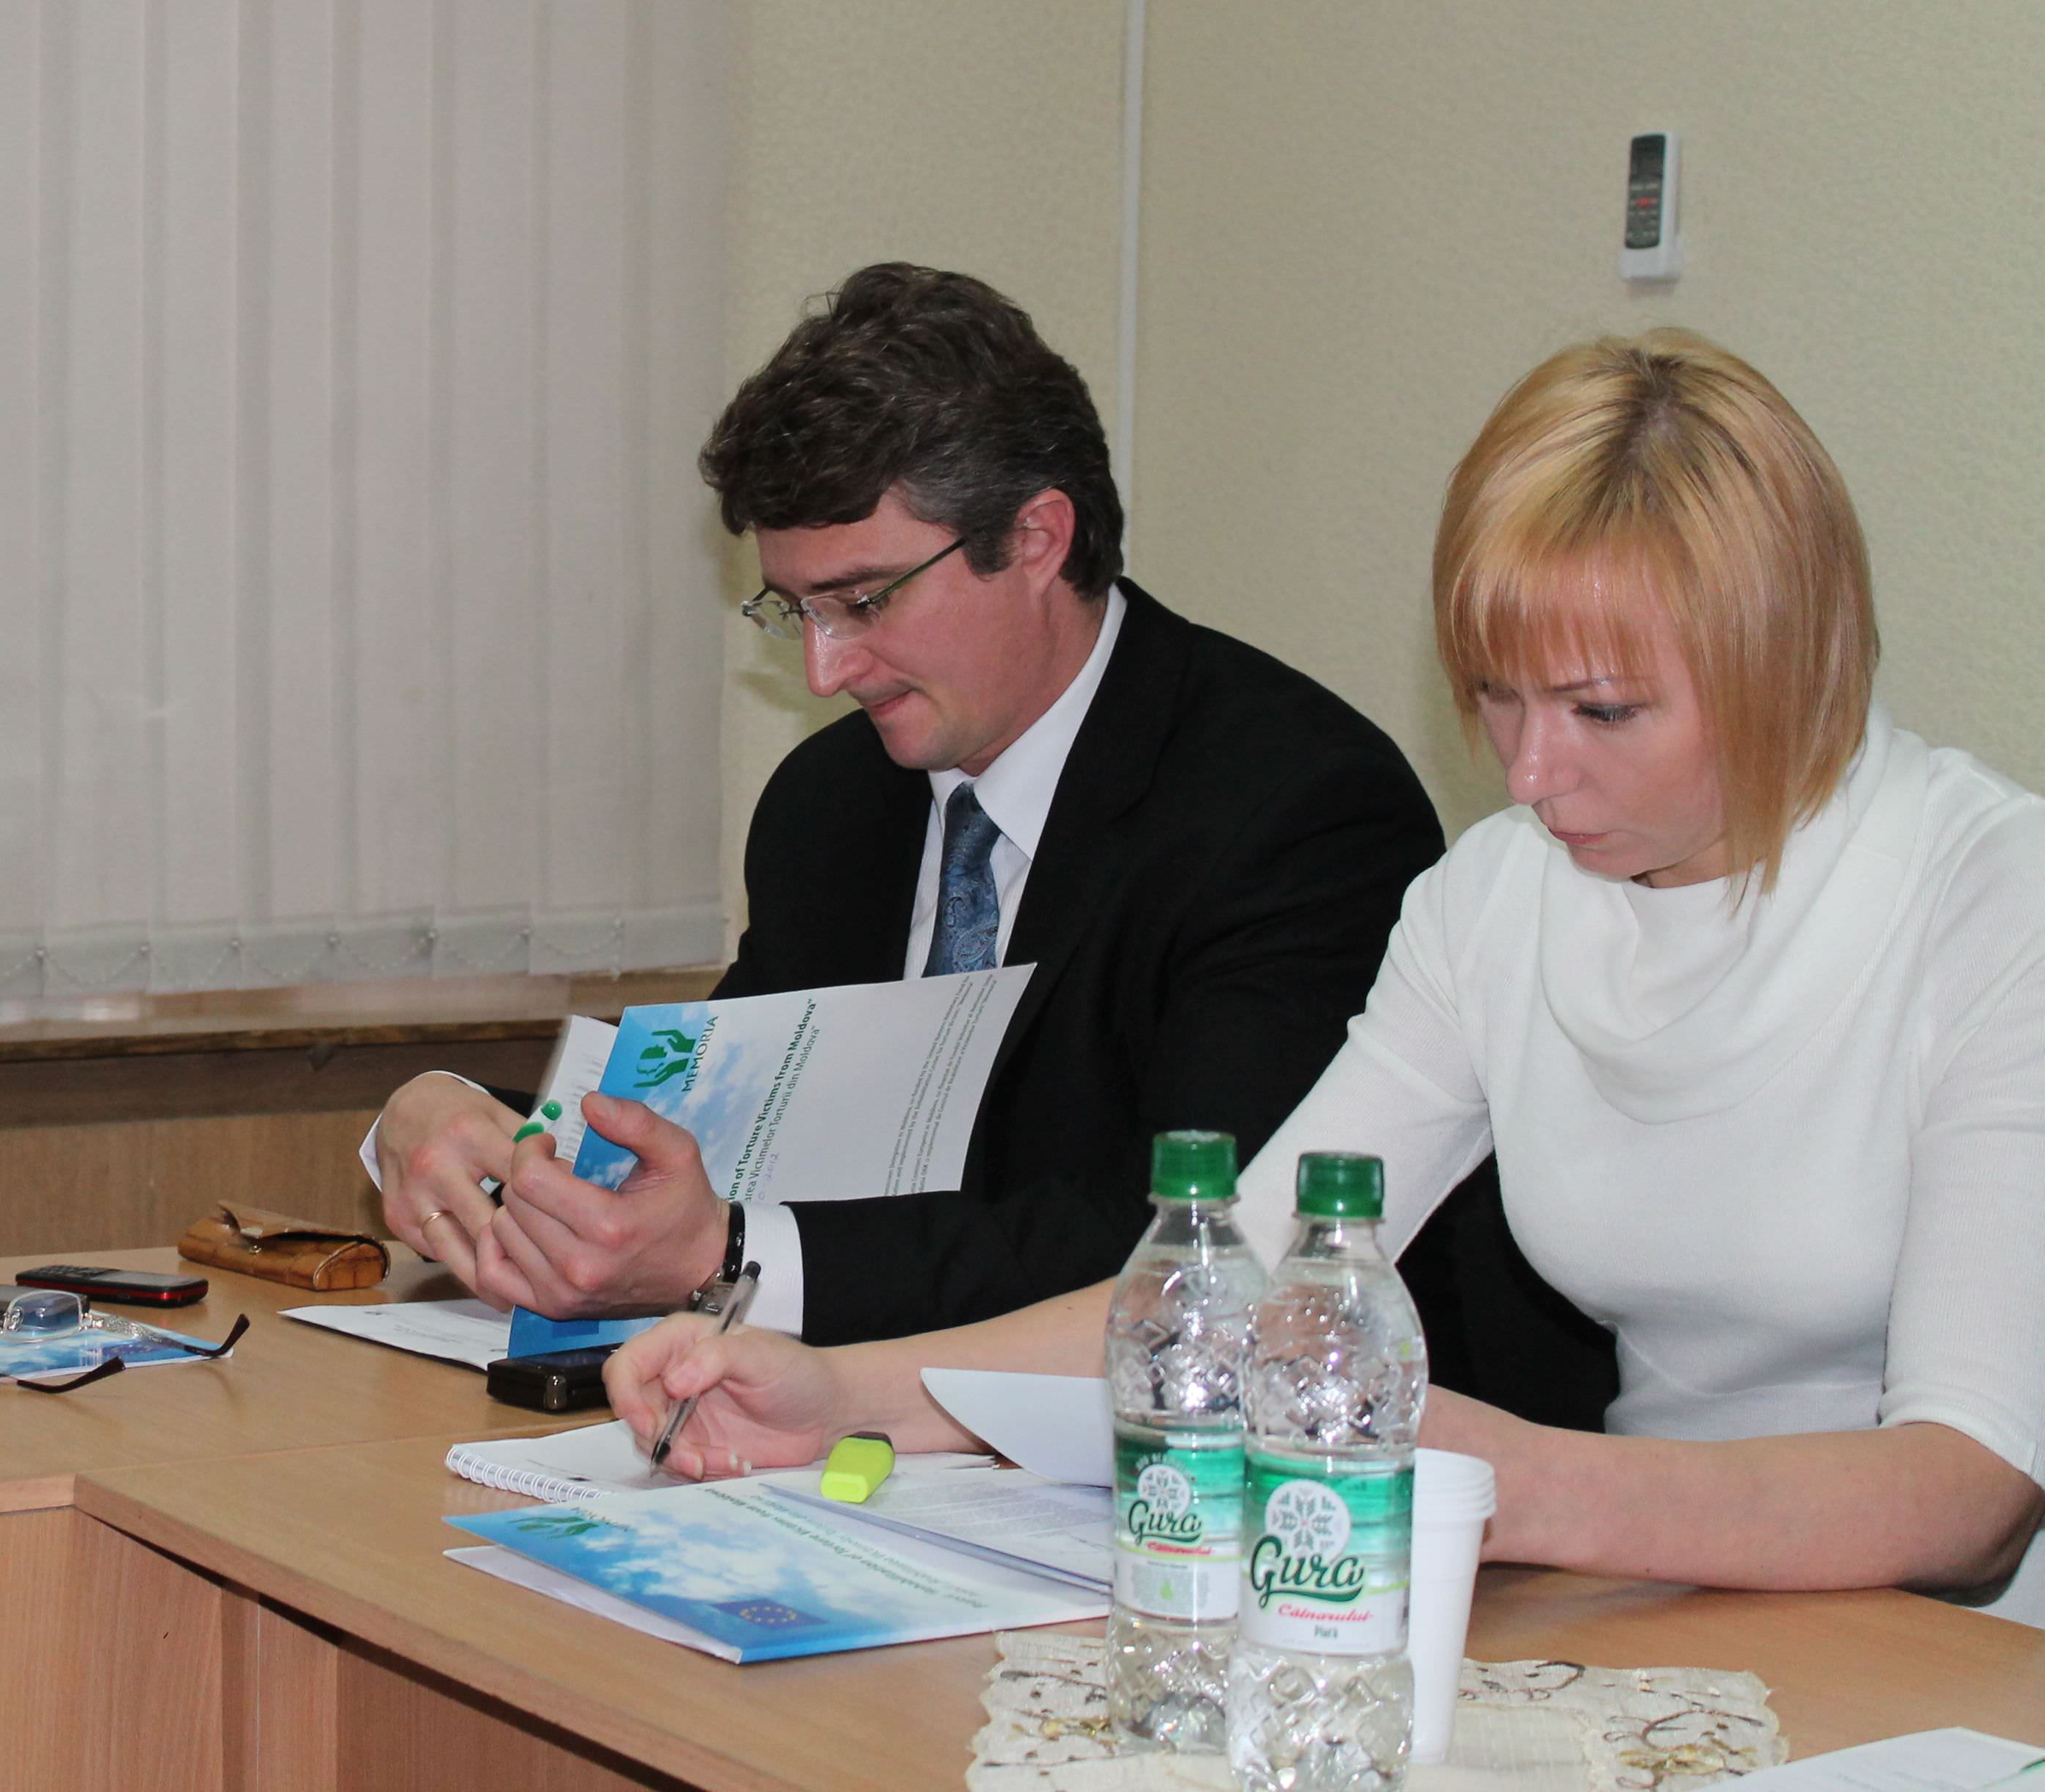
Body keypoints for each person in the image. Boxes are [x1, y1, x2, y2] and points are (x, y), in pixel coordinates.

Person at [604, 331, 2045, 1621]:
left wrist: (1520, 1483)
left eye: (1604, 710)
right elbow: (1231, 1276)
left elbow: (1969, 1489)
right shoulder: (1498, 896)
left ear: (1786, 660)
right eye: (1497, 697)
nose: (1529, 774)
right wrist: (847, 1394)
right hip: (1657, 1590)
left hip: (1950, 1649)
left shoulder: (1991, 894)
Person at [365, 264, 1456, 1350]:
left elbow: (1196, 1247)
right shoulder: (830, 803)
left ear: (1037, 539)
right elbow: (712, 1136)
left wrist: (732, 1258)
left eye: (863, 601)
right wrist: (450, 1120)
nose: (824, 670)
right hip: (843, 1427)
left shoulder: (1296, 808)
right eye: (793, 610)